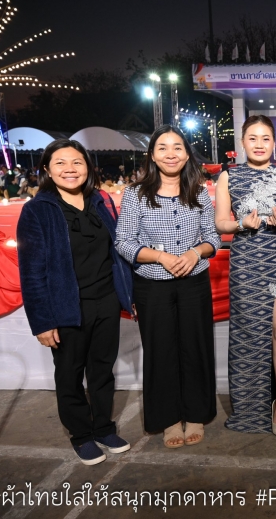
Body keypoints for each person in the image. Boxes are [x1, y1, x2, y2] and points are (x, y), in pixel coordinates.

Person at [17, 139, 134, 465]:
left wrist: (128, 295)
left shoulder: (100, 200)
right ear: (47, 170)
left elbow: (117, 253)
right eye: (60, 163)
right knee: (69, 374)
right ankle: (81, 435)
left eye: (77, 162)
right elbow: (31, 271)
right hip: (66, 306)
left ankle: (104, 428)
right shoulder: (38, 210)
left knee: (102, 371)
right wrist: (42, 321)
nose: (70, 169)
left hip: (105, 301)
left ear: (88, 167)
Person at [115, 125, 221, 449]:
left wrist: (195, 252)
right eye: (162, 147)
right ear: (152, 154)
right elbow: (123, 241)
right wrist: (160, 256)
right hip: (152, 285)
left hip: (194, 282)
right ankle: (169, 419)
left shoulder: (198, 192)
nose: (170, 154)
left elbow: (212, 237)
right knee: (160, 350)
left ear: (187, 154)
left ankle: (196, 413)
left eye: (177, 147)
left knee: (196, 347)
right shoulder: (135, 194)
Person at [214, 115, 276, 435]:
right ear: (242, 142)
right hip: (245, 263)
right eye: (252, 138)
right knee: (248, 334)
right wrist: (241, 224)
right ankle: (249, 406)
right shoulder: (228, 177)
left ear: (274, 142)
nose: (259, 144)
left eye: (265, 138)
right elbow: (221, 223)